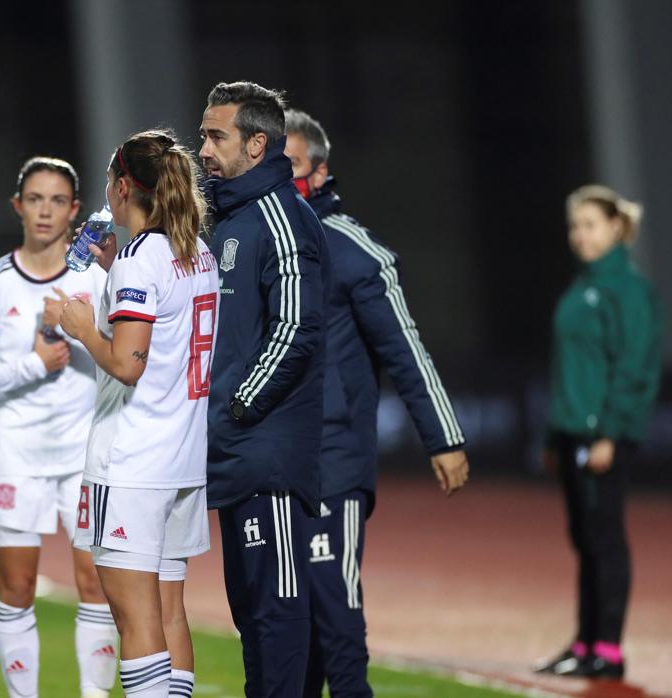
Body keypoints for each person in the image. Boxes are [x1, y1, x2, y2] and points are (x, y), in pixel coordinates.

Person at [283, 110, 470, 697]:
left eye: (288, 165)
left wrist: (444, 438)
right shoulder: (253, 243)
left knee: (333, 610)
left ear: (320, 170)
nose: (277, 178)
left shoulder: (352, 248)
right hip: (271, 462)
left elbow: (404, 348)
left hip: (331, 458)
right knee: (285, 626)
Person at [60, 129, 219, 698]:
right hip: (180, 460)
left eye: (110, 181)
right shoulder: (195, 251)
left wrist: (82, 329)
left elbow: (128, 364)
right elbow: (166, 331)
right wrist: (109, 272)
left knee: (136, 619)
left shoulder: (139, 256)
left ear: (125, 185)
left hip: (131, 461)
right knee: (172, 613)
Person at [0, 156, 117, 698]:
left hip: (84, 453)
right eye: (35, 199)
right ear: (18, 206)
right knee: (17, 586)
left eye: (57, 200)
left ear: (74, 210)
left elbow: (131, 352)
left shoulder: (96, 278)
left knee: (96, 583)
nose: (45, 211)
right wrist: (31, 363)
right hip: (18, 455)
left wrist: (75, 331)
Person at [198, 82, 329, 698]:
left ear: (256, 144)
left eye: (215, 136)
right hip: (235, 453)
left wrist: (240, 404)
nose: (202, 149)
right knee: (251, 617)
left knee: (276, 615)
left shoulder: (281, 217)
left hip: (267, 458)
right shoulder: (231, 218)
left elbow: (297, 326)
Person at [536, 185, 662, 680]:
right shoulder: (580, 287)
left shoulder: (628, 290)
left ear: (615, 228)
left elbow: (634, 367)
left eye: (589, 224)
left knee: (604, 537)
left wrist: (609, 432)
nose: (580, 235)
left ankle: (607, 648)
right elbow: (567, 369)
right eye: (574, 226)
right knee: (584, 537)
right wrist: (552, 437)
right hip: (571, 433)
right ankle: (585, 641)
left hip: (601, 435)